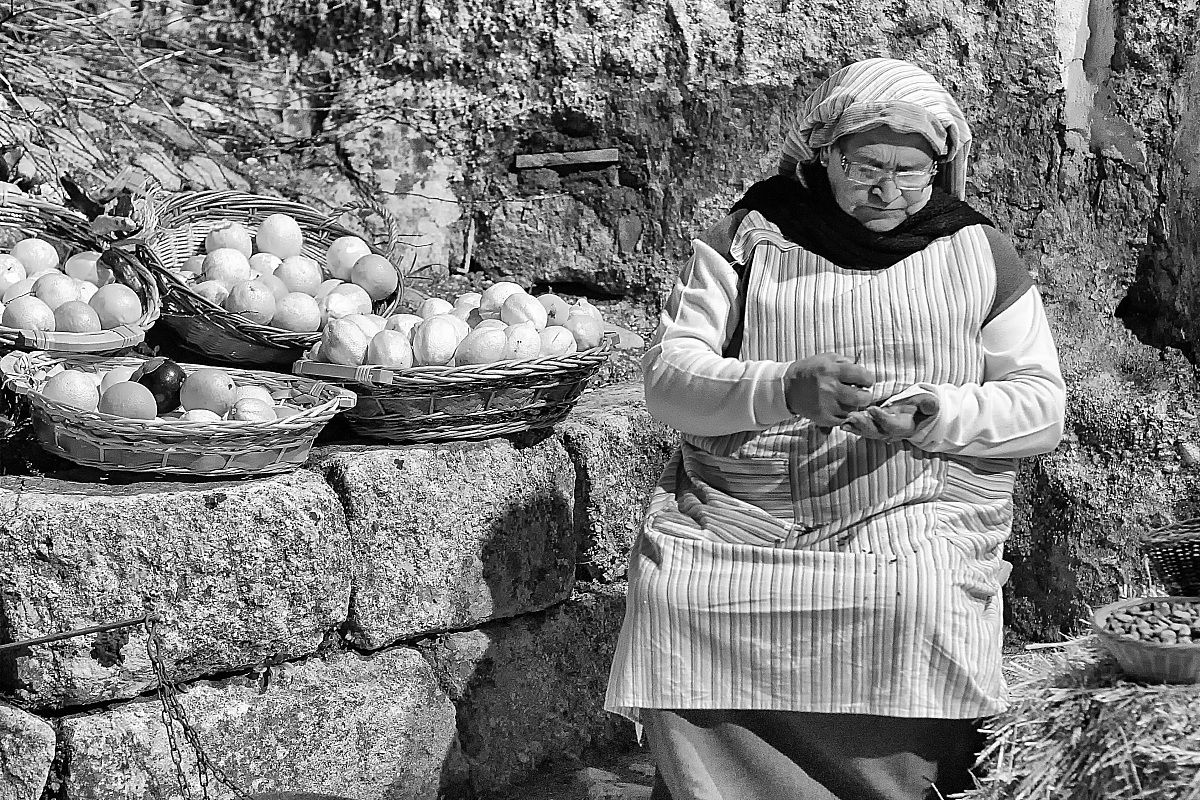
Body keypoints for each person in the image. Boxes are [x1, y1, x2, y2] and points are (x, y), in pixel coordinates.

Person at [604, 57, 1067, 800]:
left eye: (910, 172)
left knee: (918, 594)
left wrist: (937, 414)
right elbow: (667, 380)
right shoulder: (752, 234)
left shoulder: (980, 250)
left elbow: (1041, 405)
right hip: (749, 506)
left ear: (942, 166)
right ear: (823, 153)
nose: (887, 192)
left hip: (916, 500)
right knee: (678, 591)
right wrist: (784, 387)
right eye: (864, 169)